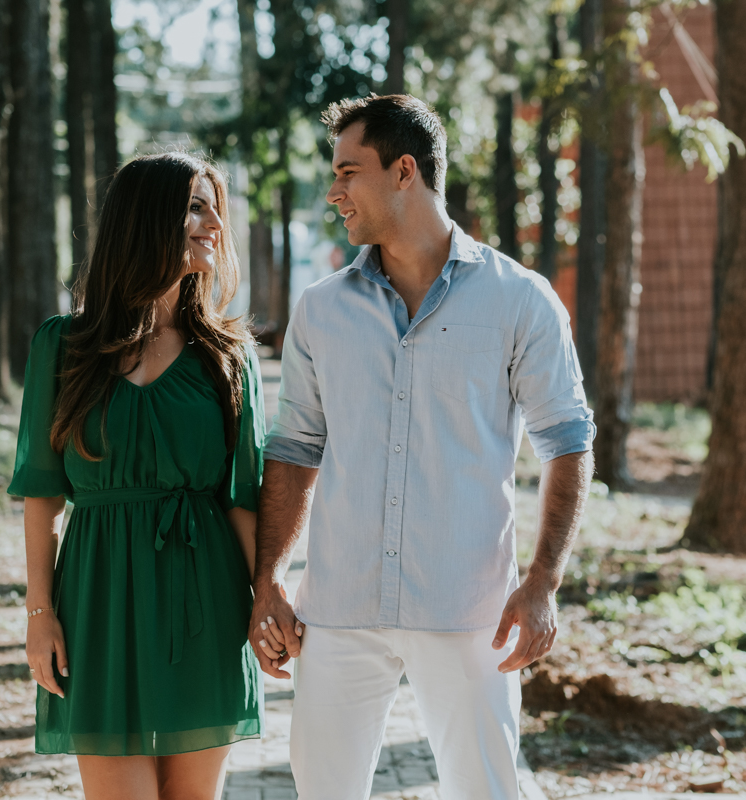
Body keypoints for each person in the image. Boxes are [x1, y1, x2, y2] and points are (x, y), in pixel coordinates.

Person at [249, 95, 595, 800]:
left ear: (404, 171)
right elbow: (294, 451)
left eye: (349, 171)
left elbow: (567, 444)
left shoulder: (520, 301)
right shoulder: (321, 308)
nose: (334, 190)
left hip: (470, 609)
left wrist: (542, 584)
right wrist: (268, 579)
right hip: (338, 608)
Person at [9, 152, 266, 800]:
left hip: (205, 600)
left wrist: (267, 602)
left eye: (215, 209)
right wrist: (40, 613)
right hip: (98, 601)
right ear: (145, 219)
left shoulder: (227, 358)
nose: (213, 224)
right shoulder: (63, 346)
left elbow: (242, 499)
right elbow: (41, 491)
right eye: (195, 206)